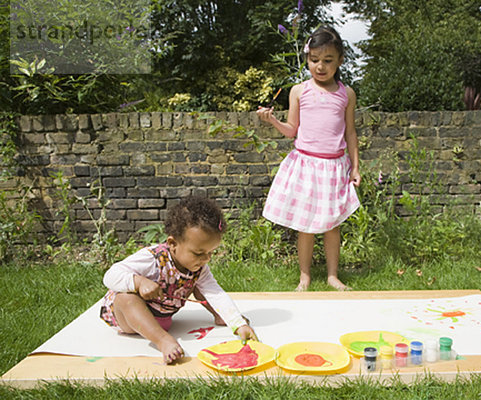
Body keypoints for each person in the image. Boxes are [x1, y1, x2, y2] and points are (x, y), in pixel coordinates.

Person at [257, 25, 361, 292]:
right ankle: (304, 276)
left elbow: (350, 132)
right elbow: (292, 129)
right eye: (314, 60)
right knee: (306, 225)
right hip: (306, 165)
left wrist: (355, 167)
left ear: (339, 61)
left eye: (328, 60)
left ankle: (332, 276)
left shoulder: (346, 94)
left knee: (332, 225)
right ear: (307, 60)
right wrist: (273, 121)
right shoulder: (298, 91)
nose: (321, 66)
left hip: (335, 167)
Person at [99, 195, 257, 364]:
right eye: (198, 253)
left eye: (211, 252)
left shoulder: (198, 267)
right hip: (129, 319)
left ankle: (220, 315)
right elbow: (110, 275)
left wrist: (237, 323)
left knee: (202, 285)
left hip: (162, 319)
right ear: (173, 243)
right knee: (125, 298)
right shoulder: (152, 258)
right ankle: (162, 340)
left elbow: (214, 292)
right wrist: (139, 282)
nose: (206, 259)